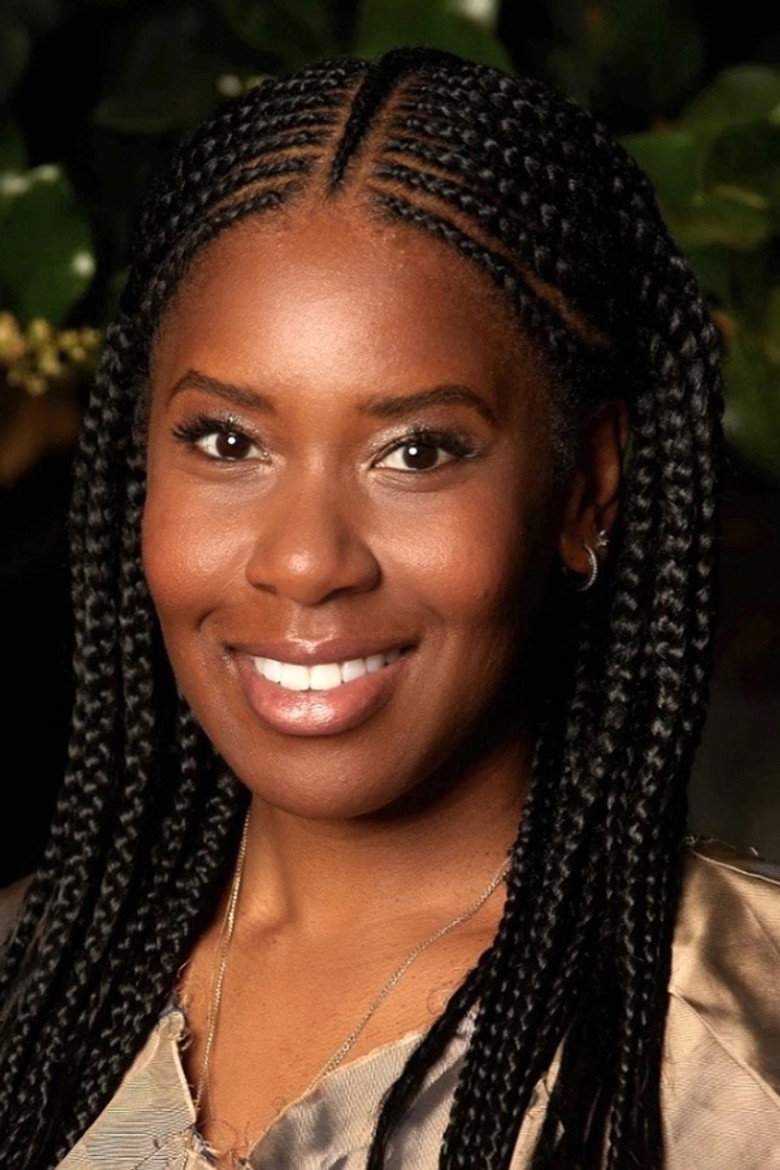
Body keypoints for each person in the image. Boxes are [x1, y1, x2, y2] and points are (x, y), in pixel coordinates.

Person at [0, 45, 777, 1170]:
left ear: (586, 488)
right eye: (228, 441)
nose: (306, 562)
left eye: (416, 451)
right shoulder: (33, 977)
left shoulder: (740, 1060)